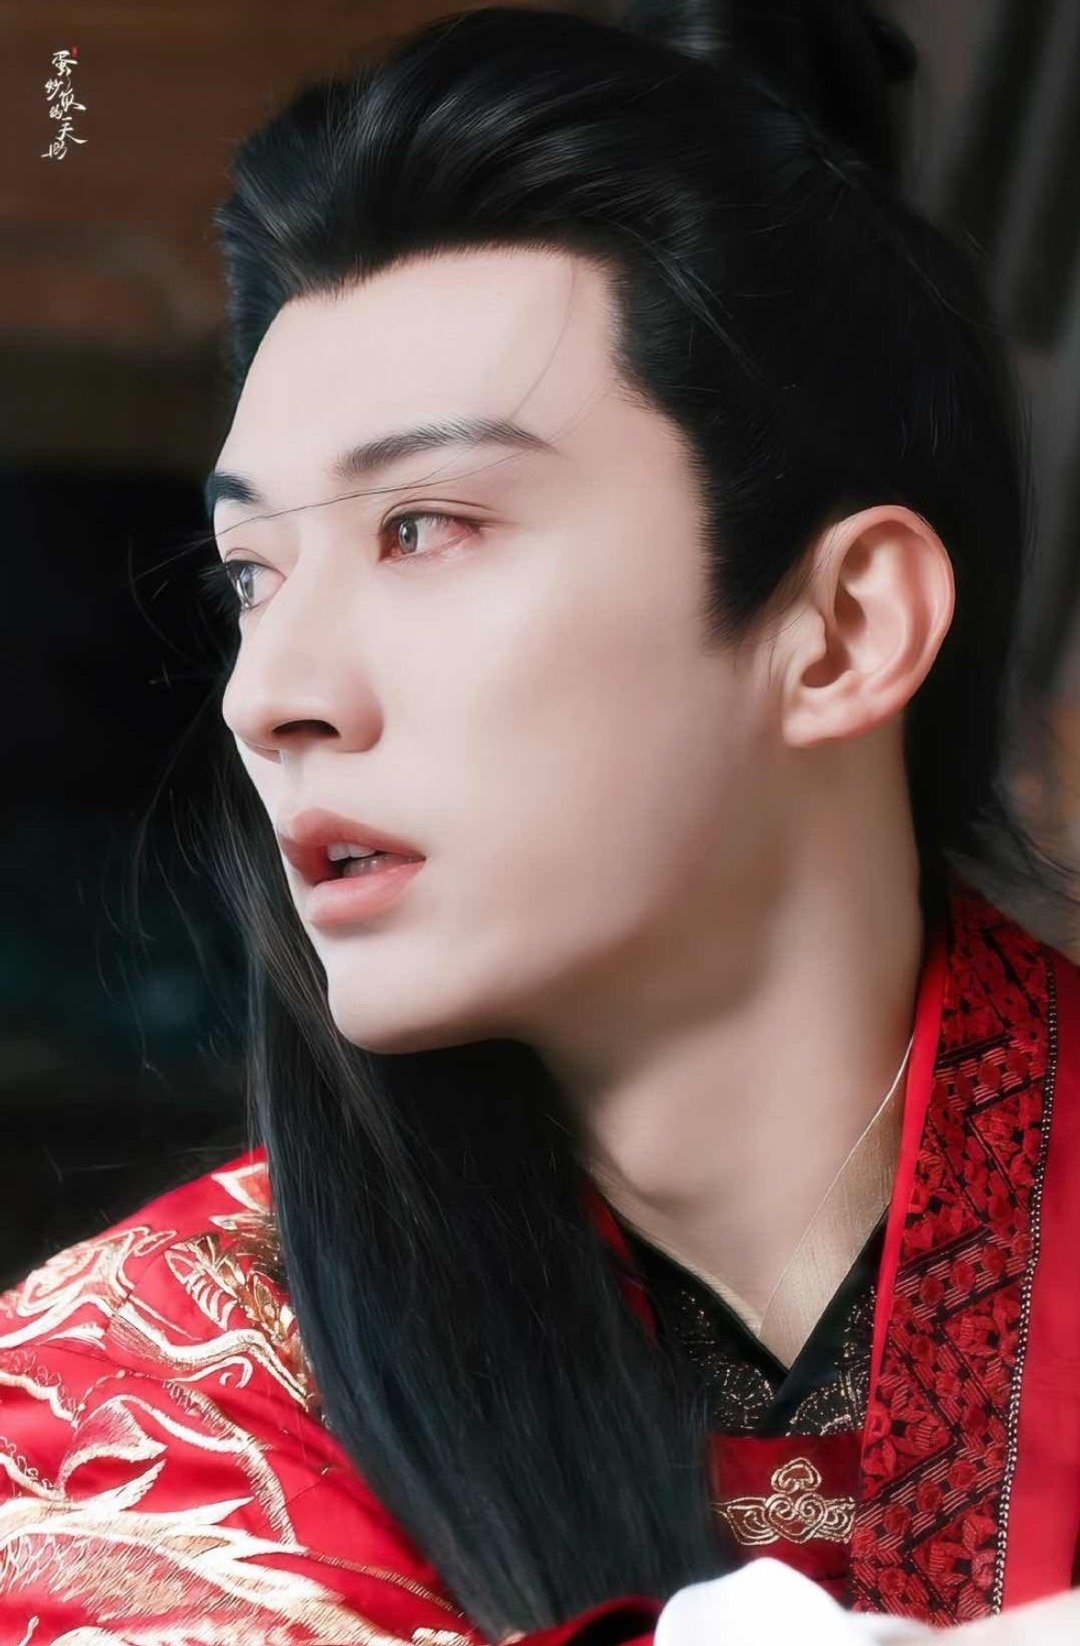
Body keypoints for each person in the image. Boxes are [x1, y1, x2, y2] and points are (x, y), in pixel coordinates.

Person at [3, 2, 1080, 1641]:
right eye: (250, 578)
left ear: (845, 628)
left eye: (424, 526)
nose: (267, 695)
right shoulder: (133, 1391)